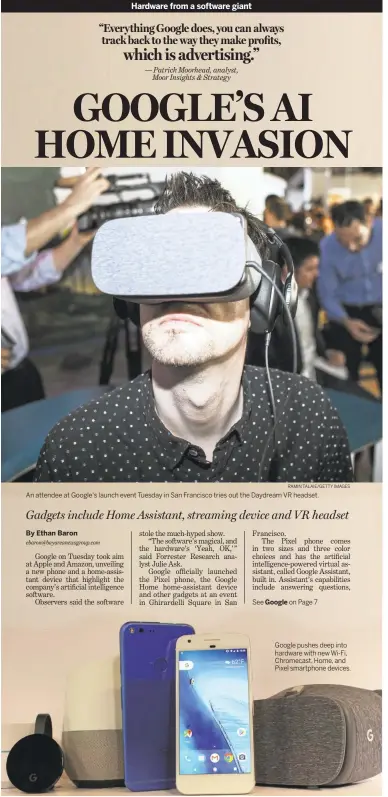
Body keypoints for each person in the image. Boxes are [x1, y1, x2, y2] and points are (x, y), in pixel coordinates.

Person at [34, 172, 353, 483]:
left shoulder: (309, 415)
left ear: (261, 298)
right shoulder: (75, 452)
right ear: (133, 303)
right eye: (164, 266)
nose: (180, 290)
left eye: (208, 263)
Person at [1, 168, 110, 412]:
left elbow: (22, 276)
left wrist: (75, 242)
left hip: (19, 375)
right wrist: (70, 206)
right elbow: (5, 249)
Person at [246, 237, 346, 381]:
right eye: (310, 269)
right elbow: (265, 359)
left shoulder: (309, 297)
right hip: (289, 383)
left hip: (316, 372)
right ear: (288, 270)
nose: (316, 274)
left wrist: (327, 354)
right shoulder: (268, 310)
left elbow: (312, 338)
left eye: (317, 268)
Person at [317, 200, 382, 392]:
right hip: (345, 311)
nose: (352, 248)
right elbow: (327, 293)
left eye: (358, 239)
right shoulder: (327, 247)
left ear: (369, 222)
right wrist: (347, 321)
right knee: (346, 374)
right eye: (344, 241)